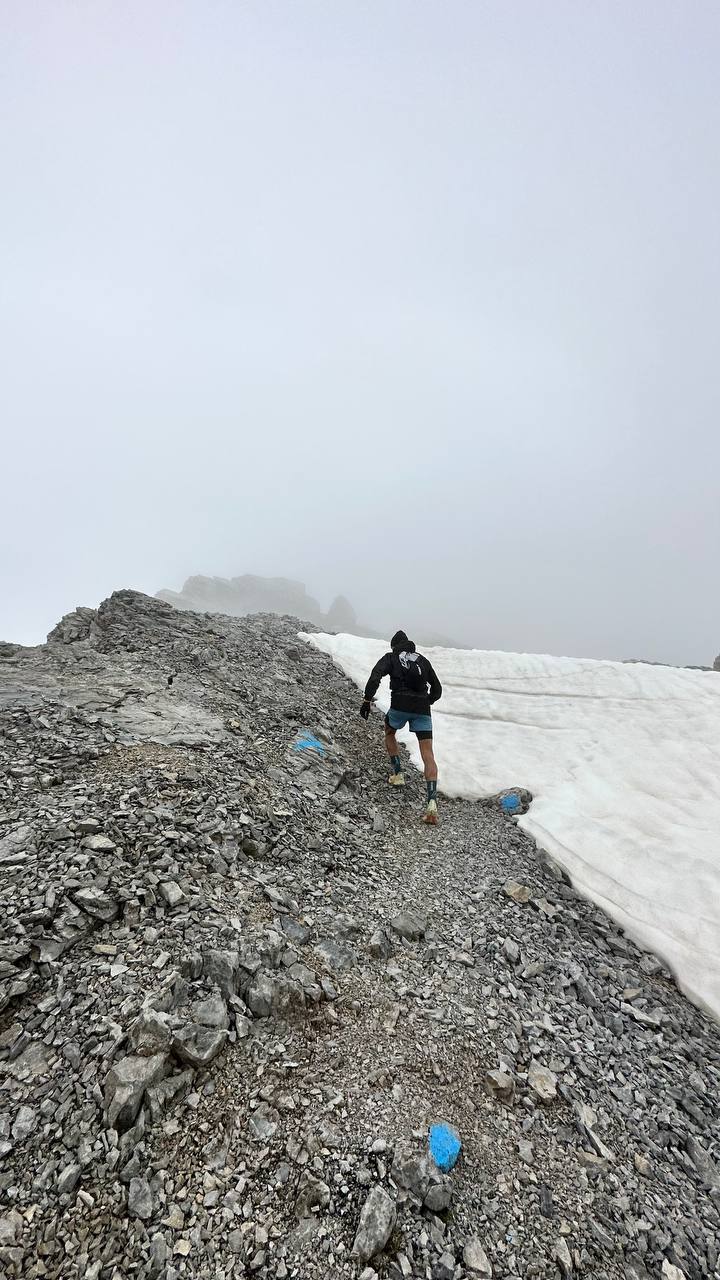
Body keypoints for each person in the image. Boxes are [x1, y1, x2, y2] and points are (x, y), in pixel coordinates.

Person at [360, 630, 442, 824]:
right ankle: (431, 804)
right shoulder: (422, 660)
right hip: (422, 709)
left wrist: (366, 700)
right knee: (428, 754)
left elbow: (375, 675)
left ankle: (397, 773)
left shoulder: (391, 657)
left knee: (389, 731)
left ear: (394, 645)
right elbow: (437, 689)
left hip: (400, 705)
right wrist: (425, 701)